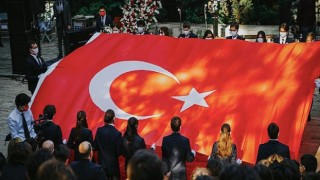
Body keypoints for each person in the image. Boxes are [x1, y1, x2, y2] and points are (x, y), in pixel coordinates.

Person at [94, 109, 123, 179]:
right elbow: (119, 151)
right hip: (113, 167)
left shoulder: (99, 130)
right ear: (114, 119)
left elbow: (95, 146)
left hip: (101, 165)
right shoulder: (117, 134)